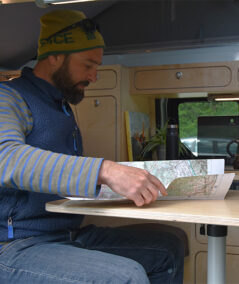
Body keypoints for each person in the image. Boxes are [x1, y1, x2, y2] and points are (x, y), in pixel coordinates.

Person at [0, 9, 184, 283]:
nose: (94, 76)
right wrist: (106, 171)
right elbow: (7, 159)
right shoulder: (9, 97)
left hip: (66, 235)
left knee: (169, 245)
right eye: (87, 65)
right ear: (54, 57)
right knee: (127, 277)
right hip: (17, 246)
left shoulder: (61, 105)